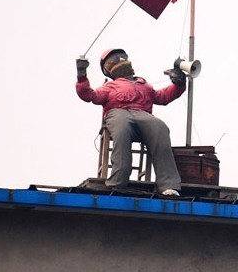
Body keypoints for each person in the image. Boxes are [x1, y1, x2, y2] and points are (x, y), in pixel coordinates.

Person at [75, 48, 186, 196]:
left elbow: (162, 97)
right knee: (121, 129)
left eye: (123, 57)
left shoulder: (143, 84)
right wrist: (81, 74)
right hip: (118, 112)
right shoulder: (109, 86)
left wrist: (179, 84)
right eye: (114, 60)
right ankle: (117, 181)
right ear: (107, 70)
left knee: (160, 127)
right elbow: (90, 95)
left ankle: (168, 185)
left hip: (142, 113)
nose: (120, 60)